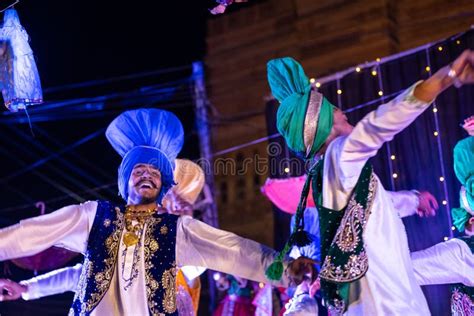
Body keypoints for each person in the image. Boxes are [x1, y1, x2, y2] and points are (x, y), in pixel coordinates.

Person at [0, 108, 309, 315]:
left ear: (162, 185)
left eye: (154, 172)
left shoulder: (177, 230)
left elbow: (233, 250)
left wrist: (283, 269)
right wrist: (27, 288)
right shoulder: (94, 216)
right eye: (139, 169)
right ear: (125, 180)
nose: (146, 174)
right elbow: (38, 237)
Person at [266, 50, 474, 315]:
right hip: (385, 304)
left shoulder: (326, 176)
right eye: (334, 109)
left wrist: (413, 200)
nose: (342, 111)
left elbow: (375, 207)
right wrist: (445, 78)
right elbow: (376, 127)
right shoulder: (339, 155)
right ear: (323, 124)